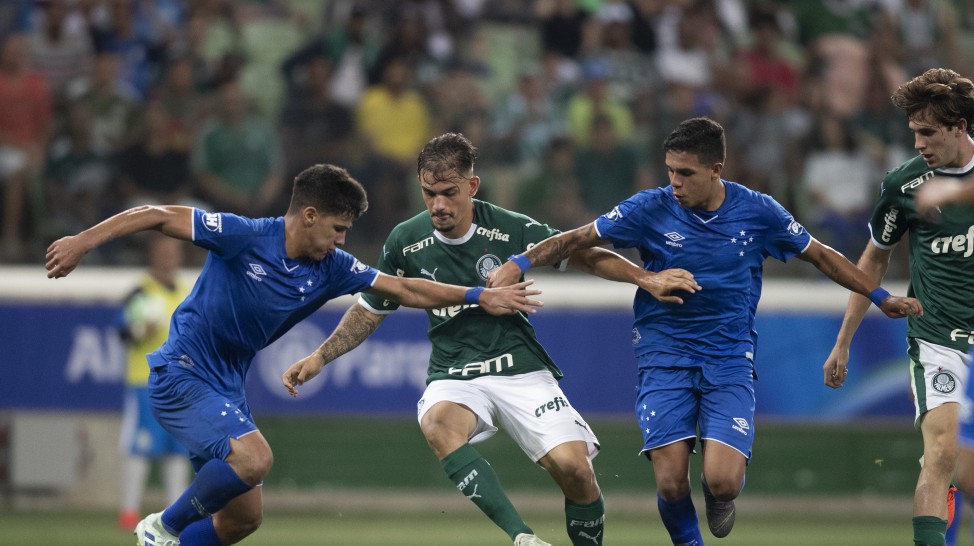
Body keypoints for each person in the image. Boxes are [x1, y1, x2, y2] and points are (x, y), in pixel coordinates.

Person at [45, 163, 543, 546]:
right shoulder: (243, 235)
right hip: (183, 371)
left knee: (243, 519)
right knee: (255, 458)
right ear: (309, 216)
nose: (342, 240)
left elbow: (405, 289)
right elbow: (155, 215)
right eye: (337, 228)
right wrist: (81, 242)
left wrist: (479, 296)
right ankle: (162, 527)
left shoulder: (332, 267)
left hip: (226, 384)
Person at [489, 117, 923, 546]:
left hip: (729, 356)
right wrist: (520, 262)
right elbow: (578, 239)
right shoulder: (649, 208)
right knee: (672, 482)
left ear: (716, 170)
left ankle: (720, 496)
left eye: (686, 173)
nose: (675, 182)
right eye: (670, 171)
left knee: (723, 481)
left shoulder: (758, 210)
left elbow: (823, 256)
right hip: (664, 353)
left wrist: (882, 297)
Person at [281, 133, 700, 546]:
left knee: (576, 472)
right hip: (455, 372)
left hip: (519, 366)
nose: (438, 205)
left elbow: (584, 254)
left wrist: (645, 277)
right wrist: (321, 356)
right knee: (439, 424)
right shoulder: (405, 241)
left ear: (472, 186)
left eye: (449, 193)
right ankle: (522, 538)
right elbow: (371, 309)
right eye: (429, 194)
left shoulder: (509, 229)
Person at [825, 67, 974, 546]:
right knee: (942, 452)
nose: (918, 144)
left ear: (960, 126)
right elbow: (873, 258)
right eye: (913, 132)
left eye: (928, 132)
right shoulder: (903, 185)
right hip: (936, 338)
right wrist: (843, 342)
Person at [117, 233, 191, 531]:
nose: (168, 256)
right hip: (145, 384)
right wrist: (140, 330)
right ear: (152, 254)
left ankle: (176, 514)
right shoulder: (140, 292)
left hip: (182, 386)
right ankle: (129, 512)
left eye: (173, 251)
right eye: (163, 250)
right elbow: (122, 333)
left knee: (179, 449)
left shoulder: (187, 293)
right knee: (141, 447)